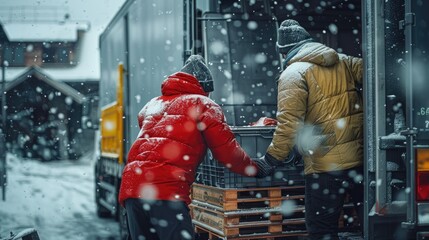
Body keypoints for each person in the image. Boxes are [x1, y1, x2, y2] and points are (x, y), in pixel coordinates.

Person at [118, 55, 269, 240]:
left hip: (132, 188)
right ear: (203, 87)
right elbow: (226, 153)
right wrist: (254, 168)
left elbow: (158, 138)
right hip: (165, 192)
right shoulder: (203, 104)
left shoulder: (152, 105)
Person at [259, 19, 364, 239]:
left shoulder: (293, 73)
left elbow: (288, 123)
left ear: (283, 50)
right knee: (367, 223)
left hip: (324, 166)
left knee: (321, 229)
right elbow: (378, 76)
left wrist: (270, 160)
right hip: (360, 161)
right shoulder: (344, 61)